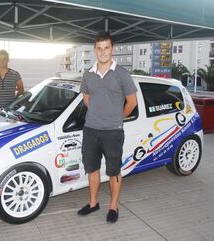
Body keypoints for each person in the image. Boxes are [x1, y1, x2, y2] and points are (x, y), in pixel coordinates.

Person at [78, 32, 138, 223]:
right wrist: (97, 113)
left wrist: (116, 117)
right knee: (92, 169)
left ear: (112, 49)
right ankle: (93, 203)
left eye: (106, 47)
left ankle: (113, 206)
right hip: (90, 130)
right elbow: (86, 98)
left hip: (113, 131)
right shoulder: (88, 75)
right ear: (95, 50)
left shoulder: (122, 74)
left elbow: (132, 102)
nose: (103, 52)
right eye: (99, 48)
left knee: (114, 170)